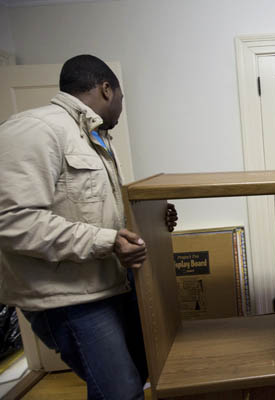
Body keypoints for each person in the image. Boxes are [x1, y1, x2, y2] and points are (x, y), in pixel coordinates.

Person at [0, 54, 178, 400]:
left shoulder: (91, 137)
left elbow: (91, 212)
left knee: (140, 372)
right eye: (123, 100)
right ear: (106, 89)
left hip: (107, 285)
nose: (122, 110)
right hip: (69, 298)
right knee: (120, 391)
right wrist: (108, 242)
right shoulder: (36, 130)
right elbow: (12, 221)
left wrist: (151, 222)